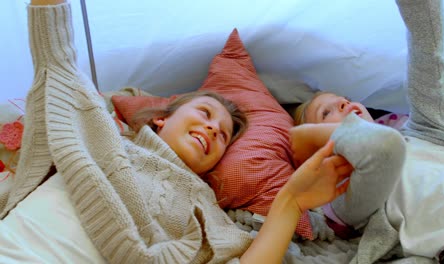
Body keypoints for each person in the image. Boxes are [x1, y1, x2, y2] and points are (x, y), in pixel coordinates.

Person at [0, 0, 352, 263]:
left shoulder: (206, 210)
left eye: (224, 136)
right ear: (162, 119)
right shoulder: (103, 131)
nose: (214, 129)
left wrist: (291, 200)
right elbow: (57, 64)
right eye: (204, 113)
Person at [291, 0, 444, 261]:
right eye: (326, 113)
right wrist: (301, 139)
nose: (344, 102)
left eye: (344, 98)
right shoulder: (345, 195)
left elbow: (429, 55)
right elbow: (381, 149)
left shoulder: (429, 130)